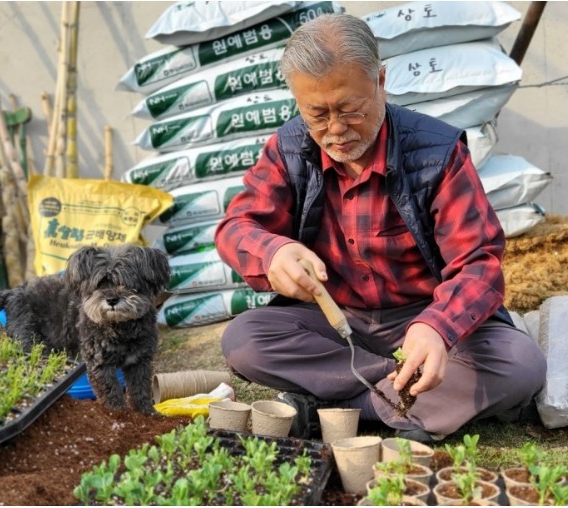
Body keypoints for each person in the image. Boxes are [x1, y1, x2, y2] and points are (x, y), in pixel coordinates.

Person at [213, 12, 546, 444]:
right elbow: (236, 227)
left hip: (422, 318)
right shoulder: (290, 147)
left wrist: (439, 326)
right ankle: (403, 402)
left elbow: (479, 263)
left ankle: (336, 408)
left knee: (520, 364)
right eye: (317, 114)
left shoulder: (436, 152)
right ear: (298, 102)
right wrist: (271, 252)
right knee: (245, 340)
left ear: (381, 81)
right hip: (335, 319)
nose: (335, 130)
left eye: (350, 109)